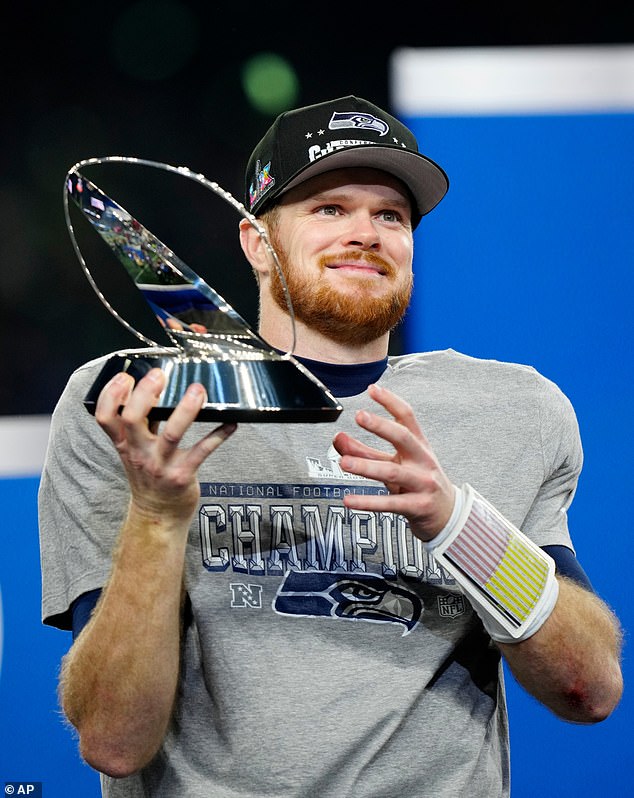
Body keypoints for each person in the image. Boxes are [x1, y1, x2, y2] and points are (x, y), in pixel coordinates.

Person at [39, 95, 623, 798]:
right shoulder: (138, 404)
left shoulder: (515, 411)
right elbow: (113, 739)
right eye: (329, 208)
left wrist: (456, 522)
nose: (366, 233)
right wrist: (159, 517)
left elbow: (589, 690)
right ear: (258, 243)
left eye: (391, 215)